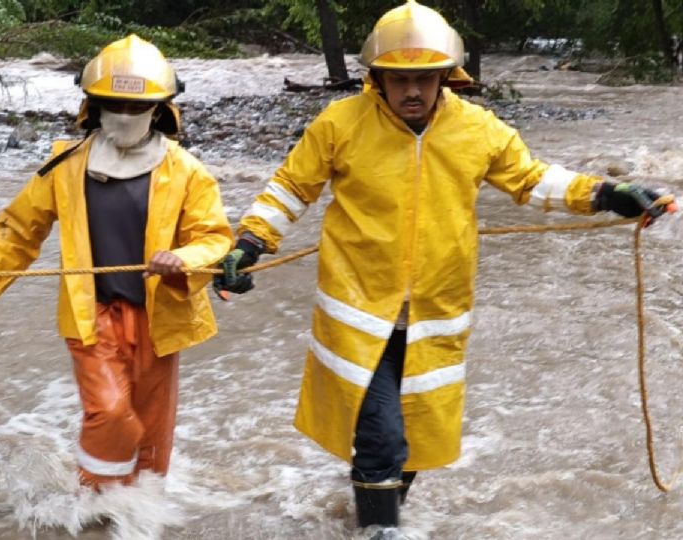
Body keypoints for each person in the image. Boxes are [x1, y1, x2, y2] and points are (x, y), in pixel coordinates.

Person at [214, 0, 675, 531]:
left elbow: (531, 180)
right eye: (400, 79)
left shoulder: (478, 129)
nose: (413, 91)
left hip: (435, 315)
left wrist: (607, 194)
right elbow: (291, 188)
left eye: (425, 79)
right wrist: (249, 242)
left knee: (409, 441)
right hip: (357, 311)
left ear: (445, 78)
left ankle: (372, 511)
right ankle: (379, 529)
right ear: (378, 79)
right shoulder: (340, 124)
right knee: (383, 437)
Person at [0, 35, 233, 490]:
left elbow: (215, 239)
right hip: (93, 318)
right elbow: (19, 229)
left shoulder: (187, 171)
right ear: (93, 106)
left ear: (160, 110)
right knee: (111, 412)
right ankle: (97, 503)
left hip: (159, 318)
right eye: (113, 105)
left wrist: (181, 259)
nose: (124, 116)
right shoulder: (65, 166)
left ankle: (139, 514)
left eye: (135, 107)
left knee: (152, 429)